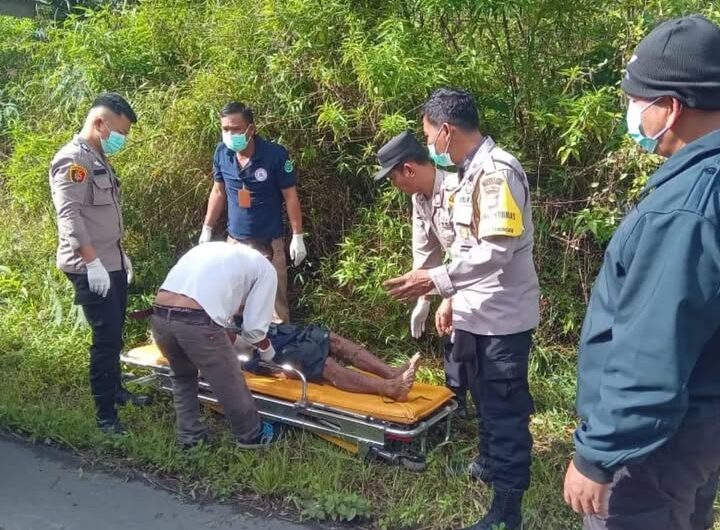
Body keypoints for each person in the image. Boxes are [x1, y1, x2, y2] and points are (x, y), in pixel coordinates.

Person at [563, 15, 720, 530]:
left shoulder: (684, 210)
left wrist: (599, 454)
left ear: (670, 108)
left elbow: (652, 349)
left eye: (635, 101)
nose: (630, 112)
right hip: (696, 428)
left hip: (652, 449)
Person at [382, 89, 539, 530]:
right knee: (485, 401)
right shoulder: (467, 175)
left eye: (430, 133)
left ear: (446, 132)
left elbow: (496, 251)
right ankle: (489, 465)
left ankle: (507, 512)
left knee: (505, 411)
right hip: (473, 312)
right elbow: (454, 249)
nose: (429, 141)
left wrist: (434, 282)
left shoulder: (495, 173)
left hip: (502, 319)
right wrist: (441, 296)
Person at [49, 92, 150, 435]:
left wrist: (120, 258)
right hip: (89, 265)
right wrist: (93, 264)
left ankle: (116, 391)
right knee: (105, 339)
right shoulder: (73, 160)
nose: (122, 139)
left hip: (111, 261)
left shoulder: (98, 157)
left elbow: (104, 216)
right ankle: (106, 415)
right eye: (119, 131)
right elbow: (70, 216)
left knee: (115, 331)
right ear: (99, 123)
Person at [150, 241, 282, 449]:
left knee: (183, 376)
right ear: (267, 256)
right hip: (196, 321)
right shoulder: (264, 267)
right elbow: (255, 330)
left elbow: (214, 313)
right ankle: (252, 436)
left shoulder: (212, 249)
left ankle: (190, 438)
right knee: (229, 379)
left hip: (159, 315)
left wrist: (237, 342)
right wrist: (267, 352)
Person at [198, 101, 306, 323]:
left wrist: (298, 236)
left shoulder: (275, 155)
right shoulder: (222, 153)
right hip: (235, 243)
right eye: (225, 129)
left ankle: (278, 354)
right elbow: (218, 192)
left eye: (235, 129)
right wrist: (207, 228)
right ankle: (240, 355)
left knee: (275, 307)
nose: (229, 134)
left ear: (251, 129)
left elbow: (290, 196)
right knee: (233, 306)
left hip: (269, 244)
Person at [238, 321, 421, 401]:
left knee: (333, 339)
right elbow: (229, 343)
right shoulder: (215, 309)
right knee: (322, 362)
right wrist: (263, 347)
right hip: (255, 350)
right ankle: (389, 389)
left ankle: (390, 372)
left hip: (275, 332)